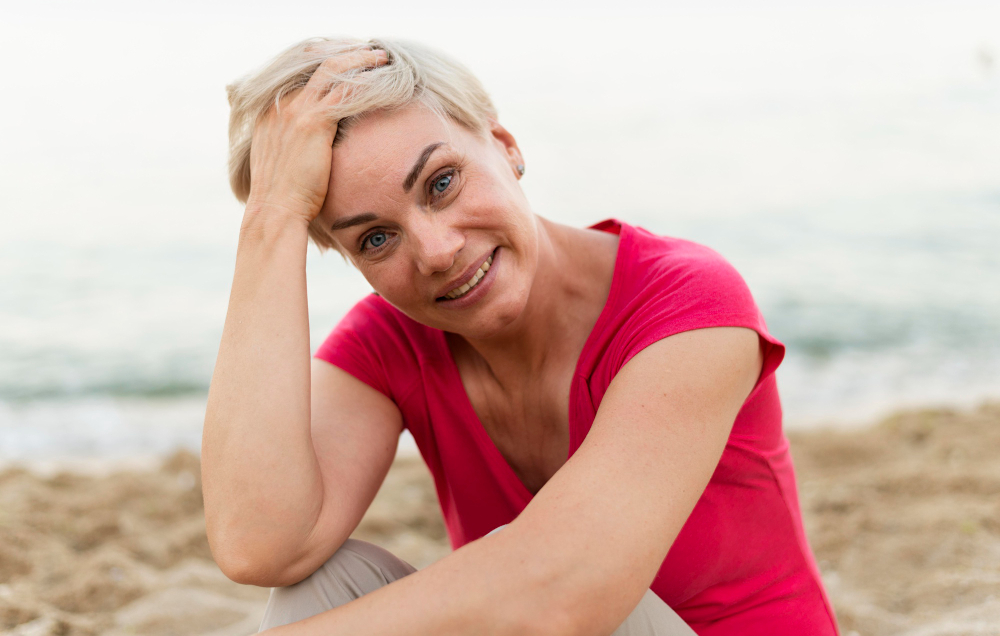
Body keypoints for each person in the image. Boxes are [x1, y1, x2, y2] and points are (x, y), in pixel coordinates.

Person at [202, 37, 839, 636]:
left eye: (442, 183)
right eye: (375, 239)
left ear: (505, 145)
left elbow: (570, 587)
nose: (438, 252)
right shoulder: (390, 343)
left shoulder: (686, 299)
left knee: (602, 590)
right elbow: (260, 542)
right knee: (322, 582)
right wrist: (273, 219)